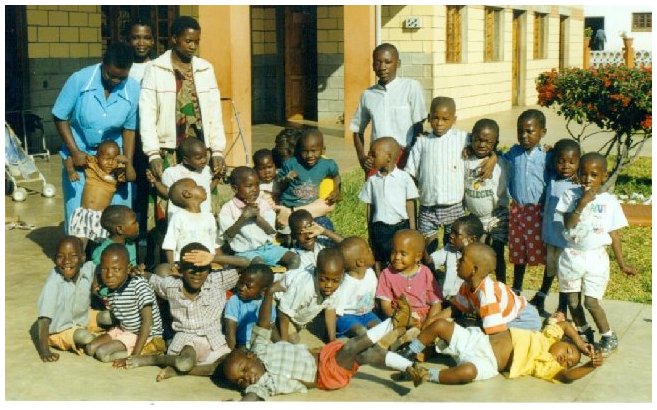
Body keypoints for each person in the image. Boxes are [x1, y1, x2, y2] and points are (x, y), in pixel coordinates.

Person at [222, 279, 424, 400]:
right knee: (351, 348)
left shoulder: (260, 348)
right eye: (240, 381)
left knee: (368, 355)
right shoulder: (263, 383)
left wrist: (269, 294)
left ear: (250, 356)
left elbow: (263, 324)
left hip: (324, 355)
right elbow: (253, 396)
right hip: (323, 374)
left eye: (244, 370)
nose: (246, 379)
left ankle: (409, 368)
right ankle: (392, 324)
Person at [140, 16, 227, 244]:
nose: (192, 46)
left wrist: (217, 151)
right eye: (188, 41)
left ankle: (204, 251)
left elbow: (214, 112)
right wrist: (153, 154)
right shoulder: (156, 69)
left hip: (199, 150)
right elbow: (147, 114)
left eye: (196, 41)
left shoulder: (205, 68)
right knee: (167, 202)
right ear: (174, 39)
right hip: (168, 149)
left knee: (202, 200)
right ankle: (165, 257)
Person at [120, 243, 241, 381]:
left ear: (209, 269)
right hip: (187, 342)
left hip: (214, 340)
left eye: (203, 269)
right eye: (190, 268)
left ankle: (178, 370)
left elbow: (248, 263)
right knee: (185, 362)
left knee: (227, 365)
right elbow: (150, 277)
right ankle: (154, 359)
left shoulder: (217, 281)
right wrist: (137, 271)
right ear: (179, 269)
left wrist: (213, 257)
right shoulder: (170, 285)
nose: (197, 274)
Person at [53, 42, 139, 232]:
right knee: (79, 220)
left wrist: (128, 163)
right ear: (103, 63)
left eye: (121, 77)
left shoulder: (132, 88)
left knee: (117, 222)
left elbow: (130, 129)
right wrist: (74, 151)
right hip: (81, 157)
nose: (115, 81)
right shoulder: (80, 80)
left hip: (113, 162)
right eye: (111, 75)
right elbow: (60, 115)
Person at [557, 152, 636, 356]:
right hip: (571, 257)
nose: (588, 179)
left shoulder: (609, 201)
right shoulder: (570, 195)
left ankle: (608, 335)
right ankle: (584, 331)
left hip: (595, 258)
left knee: (591, 301)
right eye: (583, 173)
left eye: (594, 174)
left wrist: (622, 264)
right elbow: (568, 223)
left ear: (604, 175)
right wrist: (582, 203)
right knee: (572, 301)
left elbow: (615, 235)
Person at [395, 314, 603, 385]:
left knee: (466, 373)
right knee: (440, 326)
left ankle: (425, 374)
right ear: (562, 341)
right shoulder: (547, 335)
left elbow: (567, 376)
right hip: (477, 341)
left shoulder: (546, 365)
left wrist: (588, 366)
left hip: (488, 363)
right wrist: (581, 345)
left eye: (569, 361)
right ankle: (409, 352)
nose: (566, 359)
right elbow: (565, 325)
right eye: (568, 351)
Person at [405, 97, 494, 253]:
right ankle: (431, 275)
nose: (439, 123)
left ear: (454, 119)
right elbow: (410, 173)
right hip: (428, 207)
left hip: (453, 206)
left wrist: (493, 158)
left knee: (453, 246)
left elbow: (484, 143)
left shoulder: (462, 138)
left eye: (445, 119)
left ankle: (450, 274)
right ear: (429, 117)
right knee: (427, 247)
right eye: (435, 118)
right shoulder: (422, 142)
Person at [350, 43, 426, 174]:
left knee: (402, 193)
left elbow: (418, 125)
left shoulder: (411, 87)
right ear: (373, 66)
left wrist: (412, 156)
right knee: (375, 192)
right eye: (377, 63)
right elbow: (357, 130)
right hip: (377, 158)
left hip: (403, 156)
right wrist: (362, 157)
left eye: (388, 62)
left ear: (398, 63)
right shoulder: (368, 95)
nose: (382, 67)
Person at [437, 243, 542, 336]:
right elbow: (456, 308)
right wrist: (434, 319)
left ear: (474, 270)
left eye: (462, 260)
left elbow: (494, 333)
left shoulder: (487, 295)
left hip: (523, 320)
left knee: (484, 336)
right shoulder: (466, 284)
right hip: (503, 317)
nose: (457, 261)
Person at [85, 244, 165, 363]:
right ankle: (126, 346)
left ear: (128, 269)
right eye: (104, 269)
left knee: (102, 353)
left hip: (146, 335)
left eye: (116, 269)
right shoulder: (112, 286)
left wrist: (135, 356)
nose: (109, 275)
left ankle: (147, 350)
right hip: (124, 329)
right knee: (90, 348)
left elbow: (147, 322)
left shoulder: (139, 285)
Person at [531, 139, 581, 318]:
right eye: (561, 161)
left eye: (571, 162)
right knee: (550, 269)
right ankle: (541, 297)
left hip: (566, 243)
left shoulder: (578, 185)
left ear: (579, 163)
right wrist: (550, 151)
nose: (566, 166)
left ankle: (562, 309)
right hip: (552, 238)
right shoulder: (552, 178)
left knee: (564, 275)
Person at [504, 109, 552, 295]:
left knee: (547, 253)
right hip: (518, 211)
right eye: (520, 131)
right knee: (519, 253)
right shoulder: (513, 153)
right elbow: (498, 160)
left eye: (530, 131)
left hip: (540, 212)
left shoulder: (548, 156)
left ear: (542, 132)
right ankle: (516, 290)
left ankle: (542, 293)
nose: (524, 136)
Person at [218, 167, 300, 269]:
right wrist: (243, 218)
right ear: (235, 188)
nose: (255, 189)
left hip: (267, 248)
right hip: (245, 252)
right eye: (249, 186)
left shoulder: (263, 204)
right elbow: (227, 236)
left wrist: (258, 218)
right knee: (259, 265)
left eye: (257, 184)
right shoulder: (228, 209)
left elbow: (271, 231)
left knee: (294, 259)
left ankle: (288, 282)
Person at [359, 137, 419, 273]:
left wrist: (413, 229)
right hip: (379, 228)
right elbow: (370, 206)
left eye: (374, 155)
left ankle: (401, 281)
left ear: (389, 157)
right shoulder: (372, 180)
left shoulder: (404, 178)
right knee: (379, 257)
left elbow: (410, 203)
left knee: (400, 257)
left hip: (400, 227)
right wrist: (370, 229)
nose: (370, 158)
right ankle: (381, 284)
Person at [36, 236, 98, 362]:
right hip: (60, 329)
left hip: (81, 319)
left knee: (108, 317)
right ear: (54, 259)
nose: (66, 261)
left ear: (83, 258)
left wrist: (95, 284)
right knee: (84, 337)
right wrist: (45, 351)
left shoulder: (86, 269)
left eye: (73, 256)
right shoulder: (53, 285)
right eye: (60, 256)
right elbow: (43, 321)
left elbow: (95, 267)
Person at [65, 140, 135, 251]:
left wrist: (128, 163)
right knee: (78, 246)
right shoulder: (93, 164)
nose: (110, 163)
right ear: (97, 158)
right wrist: (71, 171)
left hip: (101, 217)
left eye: (114, 159)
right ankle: (80, 263)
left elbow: (131, 178)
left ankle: (97, 264)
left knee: (101, 248)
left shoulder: (118, 172)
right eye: (106, 159)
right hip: (84, 214)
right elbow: (69, 159)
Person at [463, 119, 509, 283]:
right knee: (477, 253)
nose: (481, 144)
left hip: (497, 216)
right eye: (477, 140)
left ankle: (503, 287)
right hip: (475, 217)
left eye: (487, 141)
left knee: (497, 252)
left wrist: (495, 156)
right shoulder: (465, 160)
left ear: (495, 143)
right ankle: (478, 287)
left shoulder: (502, 163)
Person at [275, 129, 341, 231]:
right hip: (286, 207)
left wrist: (337, 190)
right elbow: (278, 186)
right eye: (305, 152)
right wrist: (286, 178)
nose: (309, 155)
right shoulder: (289, 165)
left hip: (308, 212)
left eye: (313, 151)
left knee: (325, 229)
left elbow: (336, 176)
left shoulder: (325, 165)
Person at [275, 248, 345, 343]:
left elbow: (330, 309)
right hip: (278, 303)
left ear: (342, 276)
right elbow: (284, 312)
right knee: (293, 340)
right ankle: (273, 329)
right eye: (324, 279)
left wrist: (332, 341)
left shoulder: (337, 287)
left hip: (295, 310)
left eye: (335, 281)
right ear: (316, 272)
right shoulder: (306, 288)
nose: (329, 285)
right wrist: (284, 342)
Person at [375, 229, 442, 326]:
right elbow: (385, 305)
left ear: (417, 257)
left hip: (423, 317)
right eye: (394, 252)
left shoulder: (426, 273)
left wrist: (428, 321)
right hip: (399, 315)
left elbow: (436, 303)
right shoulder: (387, 274)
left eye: (403, 254)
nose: (397, 257)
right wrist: (398, 318)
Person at [147, 137, 219, 219]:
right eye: (199, 158)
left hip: (203, 217)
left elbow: (208, 189)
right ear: (186, 160)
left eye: (205, 156)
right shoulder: (173, 172)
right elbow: (168, 194)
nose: (204, 160)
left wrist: (218, 177)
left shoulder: (207, 171)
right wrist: (156, 182)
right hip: (180, 219)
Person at [332, 237, 381, 339]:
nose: (371, 250)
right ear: (360, 262)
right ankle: (344, 336)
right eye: (368, 250)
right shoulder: (346, 285)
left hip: (366, 314)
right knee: (361, 331)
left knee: (380, 329)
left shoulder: (370, 274)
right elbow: (336, 313)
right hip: (347, 316)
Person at [426, 214, 483, 300]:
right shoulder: (450, 249)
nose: (451, 235)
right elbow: (431, 261)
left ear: (471, 240)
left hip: (464, 302)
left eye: (456, 234)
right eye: (451, 232)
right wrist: (422, 249)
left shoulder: (479, 259)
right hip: (445, 298)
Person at [162, 178, 218, 264]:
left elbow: (214, 243)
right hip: (185, 263)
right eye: (196, 185)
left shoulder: (209, 217)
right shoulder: (178, 217)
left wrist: (218, 261)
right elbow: (169, 245)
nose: (202, 187)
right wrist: (172, 266)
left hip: (206, 262)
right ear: (187, 194)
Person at [224, 264, 277, 350]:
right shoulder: (235, 301)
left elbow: (272, 328)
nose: (241, 288)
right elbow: (230, 334)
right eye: (241, 283)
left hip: (263, 343)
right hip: (242, 345)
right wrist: (232, 354)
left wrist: (282, 344)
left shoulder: (267, 304)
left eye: (248, 286)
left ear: (263, 291)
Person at [126, 18, 155, 83]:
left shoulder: (158, 67)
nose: (141, 43)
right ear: (128, 40)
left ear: (153, 41)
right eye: (135, 38)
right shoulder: (120, 69)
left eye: (147, 38)